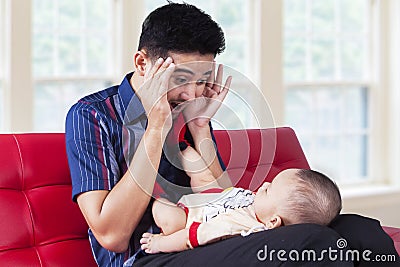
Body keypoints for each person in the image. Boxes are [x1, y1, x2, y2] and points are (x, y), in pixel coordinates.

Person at [65, 3, 231, 266]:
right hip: (144, 258)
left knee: (309, 234)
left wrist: (200, 128)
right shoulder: (92, 116)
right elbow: (112, 236)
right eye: (180, 80)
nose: (192, 95)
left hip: (204, 247)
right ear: (143, 63)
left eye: (201, 81)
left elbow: (226, 205)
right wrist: (155, 127)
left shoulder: (189, 108)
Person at [139, 146, 342, 254]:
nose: (263, 185)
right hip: (215, 195)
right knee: (200, 169)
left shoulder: (238, 227)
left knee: (167, 217)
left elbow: (190, 237)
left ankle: (148, 186)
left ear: (273, 222)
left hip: (189, 216)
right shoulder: (261, 207)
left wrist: (160, 244)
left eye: (269, 190)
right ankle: (178, 145)